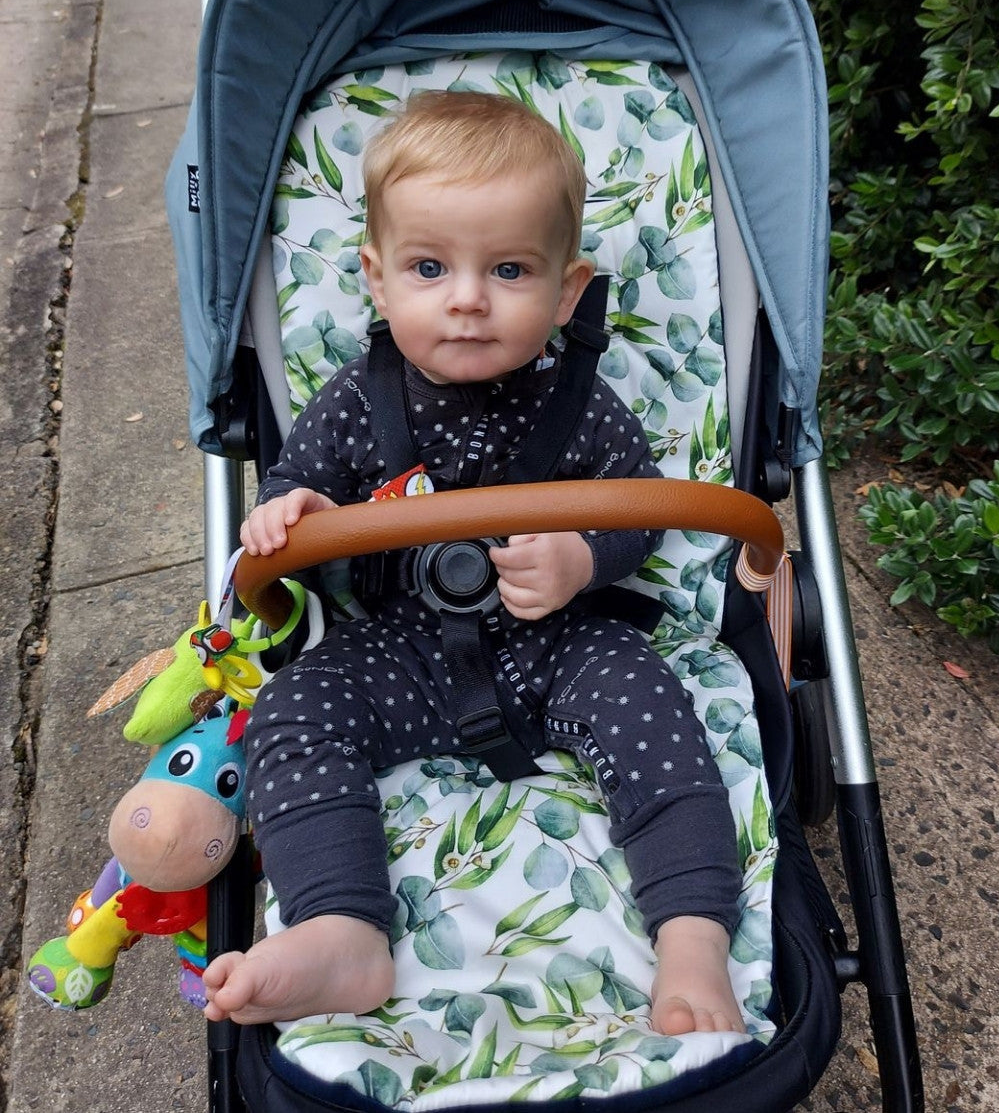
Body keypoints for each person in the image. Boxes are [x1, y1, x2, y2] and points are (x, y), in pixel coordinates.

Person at [202, 91, 745, 1038]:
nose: (466, 298)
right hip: (403, 651)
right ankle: (341, 928)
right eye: (428, 267)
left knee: (654, 705)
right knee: (292, 709)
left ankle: (692, 936)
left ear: (567, 291)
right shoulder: (355, 401)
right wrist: (291, 513)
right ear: (375, 279)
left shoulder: (578, 405)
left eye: (507, 269)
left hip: (563, 642)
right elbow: (296, 486)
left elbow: (643, 507)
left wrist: (584, 556)